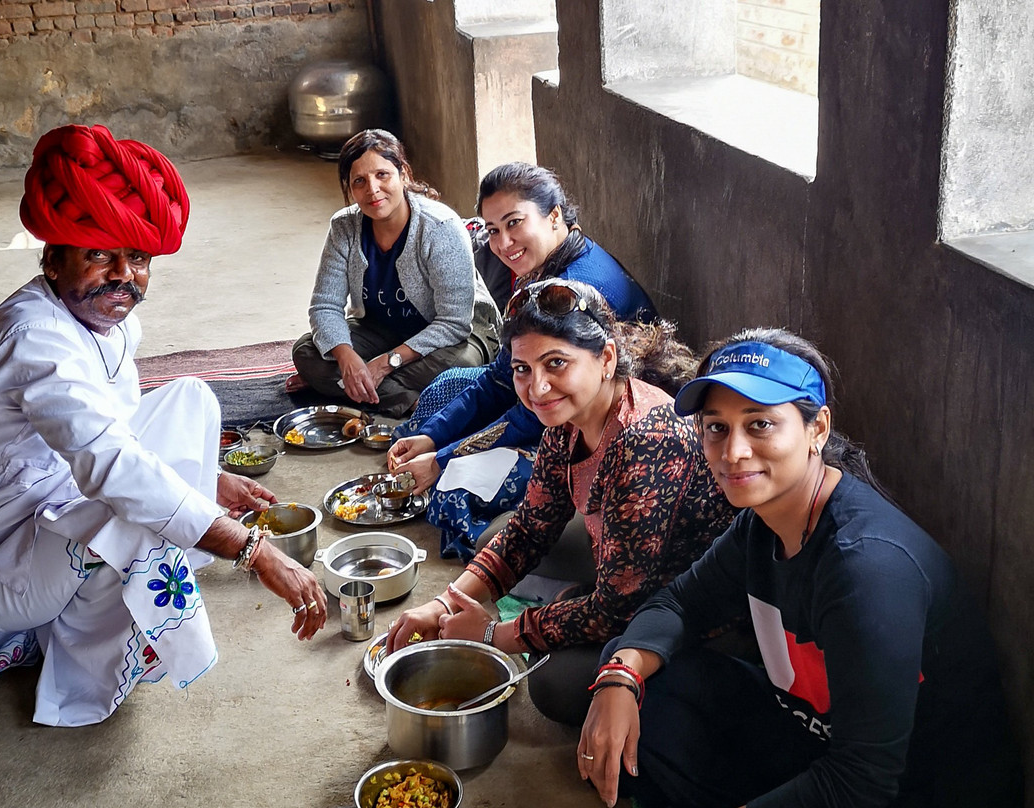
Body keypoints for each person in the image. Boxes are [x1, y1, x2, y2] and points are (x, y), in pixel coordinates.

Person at [0, 124, 327, 728]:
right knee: (127, 518)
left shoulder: (108, 320)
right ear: (52, 257)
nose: (123, 276)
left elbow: (117, 427)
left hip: (49, 504)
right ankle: (78, 681)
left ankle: (104, 600)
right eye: (99, 254)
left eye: (138, 259)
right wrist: (253, 550)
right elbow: (113, 467)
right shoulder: (34, 339)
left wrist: (209, 481)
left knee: (190, 399)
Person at [577, 328, 1023, 808]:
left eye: (760, 424)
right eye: (717, 427)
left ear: (818, 429)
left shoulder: (865, 568)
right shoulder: (762, 524)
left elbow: (862, 782)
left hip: (912, 788)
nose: (733, 452)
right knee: (641, 682)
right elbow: (679, 603)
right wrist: (619, 676)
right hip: (813, 740)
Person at [386, 280, 734, 725]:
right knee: (496, 539)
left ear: (606, 359)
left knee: (555, 685)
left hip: (680, 601)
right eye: (522, 368)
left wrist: (495, 634)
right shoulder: (565, 419)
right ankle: (572, 600)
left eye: (556, 363)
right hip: (622, 560)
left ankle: (589, 613)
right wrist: (444, 602)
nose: (537, 387)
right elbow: (530, 529)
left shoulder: (645, 439)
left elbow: (615, 610)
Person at [388, 163, 656, 559]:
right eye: (493, 230)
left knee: (454, 492)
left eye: (514, 223)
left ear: (554, 216)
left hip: (583, 425)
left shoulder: (579, 288)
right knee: (443, 390)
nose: (504, 242)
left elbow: (538, 407)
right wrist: (432, 437)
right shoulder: (539, 268)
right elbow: (501, 376)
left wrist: (443, 460)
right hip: (547, 403)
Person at [287, 129, 501, 417]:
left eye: (382, 175)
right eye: (359, 181)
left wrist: (387, 363)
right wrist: (347, 358)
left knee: (465, 363)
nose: (372, 189)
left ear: (404, 174)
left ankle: (349, 388)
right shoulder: (343, 227)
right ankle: (413, 401)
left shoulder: (440, 227)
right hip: (382, 330)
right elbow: (324, 306)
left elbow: (454, 323)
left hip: (458, 335)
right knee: (306, 351)